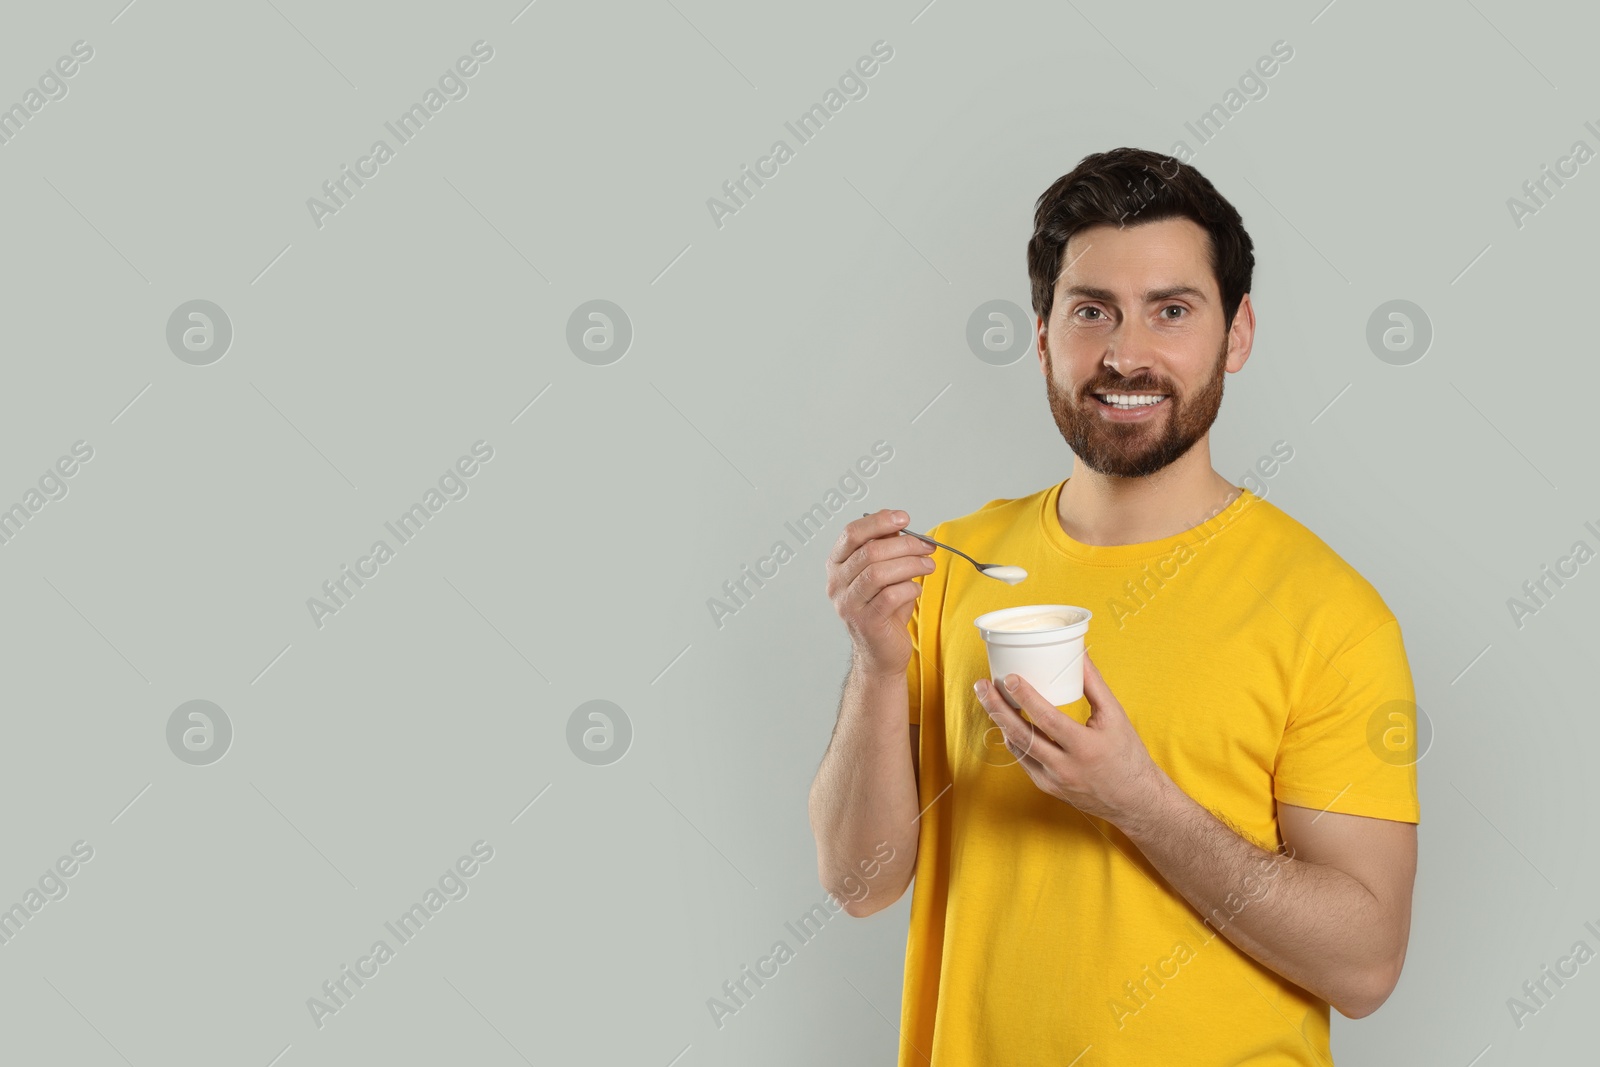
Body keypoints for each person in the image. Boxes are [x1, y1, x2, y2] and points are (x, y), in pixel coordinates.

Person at [808, 146, 1420, 1065]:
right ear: (1045, 335)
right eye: (1092, 311)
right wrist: (878, 661)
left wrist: (1139, 803)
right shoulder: (952, 572)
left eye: (1171, 311)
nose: (1126, 354)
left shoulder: (1329, 613)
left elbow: (1366, 966)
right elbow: (859, 883)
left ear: (1237, 334)